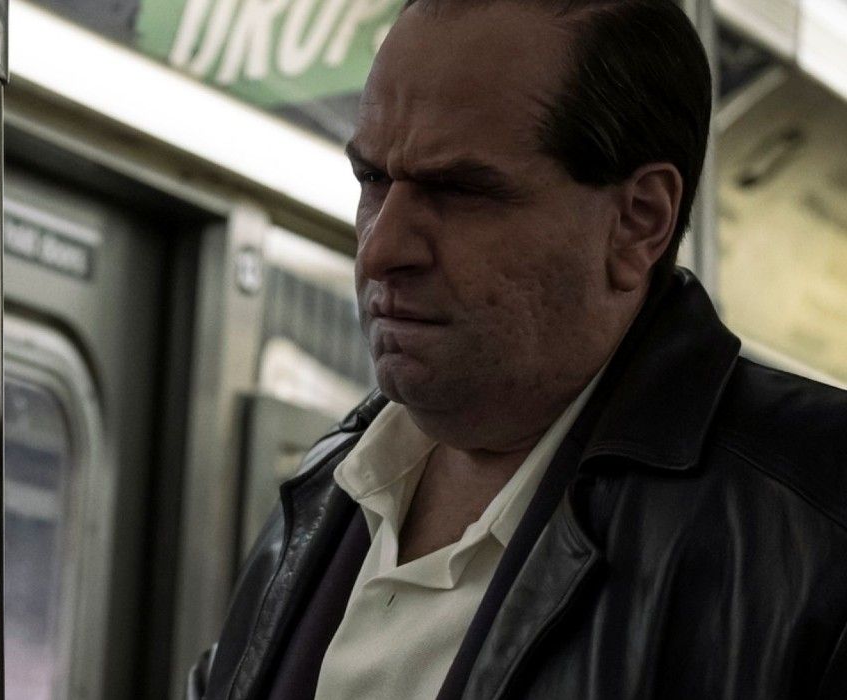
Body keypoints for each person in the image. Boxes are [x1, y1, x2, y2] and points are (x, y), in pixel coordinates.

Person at [191, 0, 847, 698]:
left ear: (637, 223)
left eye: (459, 190)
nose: (381, 248)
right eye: (373, 181)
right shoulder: (324, 493)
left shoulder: (813, 526)